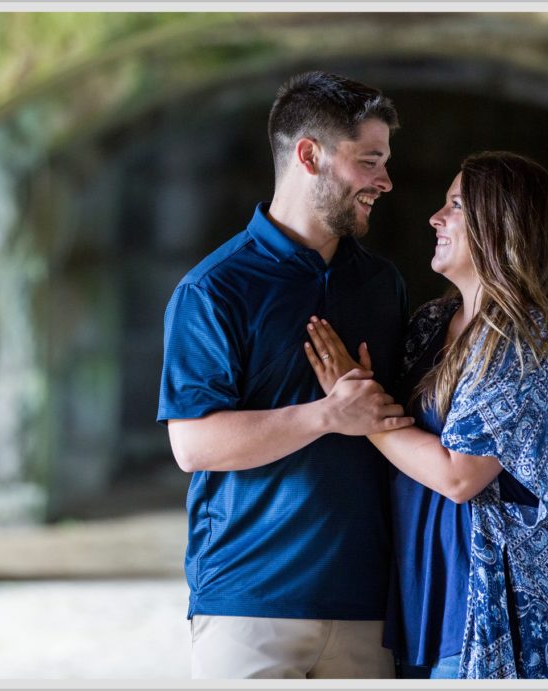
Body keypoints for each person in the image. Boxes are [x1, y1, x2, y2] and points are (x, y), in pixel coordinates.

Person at [156, 71, 413, 679]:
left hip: (367, 605)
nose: (386, 181)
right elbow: (192, 445)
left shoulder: (383, 285)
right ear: (310, 155)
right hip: (247, 603)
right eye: (370, 161)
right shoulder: (213, 289)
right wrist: (327, 416)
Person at [304, 151, 548, 679]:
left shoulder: (526, 338)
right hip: (420, 606)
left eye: (456, 205)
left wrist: (355, 405)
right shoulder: (430, 324)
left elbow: (459, 475)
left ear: (501, 224)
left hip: (489, 617)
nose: (435, 218)